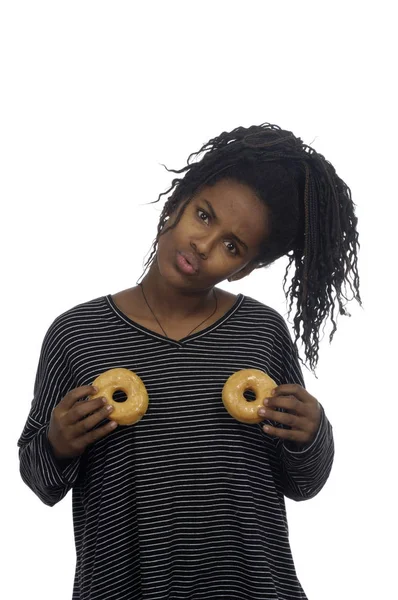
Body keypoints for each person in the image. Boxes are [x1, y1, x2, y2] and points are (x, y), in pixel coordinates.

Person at [18, 122, 362, 600]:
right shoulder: (77, 335)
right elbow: (39, 479)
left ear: (245, 268)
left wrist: (312, 435)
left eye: (231, 246)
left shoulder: (261, 333)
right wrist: (57, 442)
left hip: (252, 586)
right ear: (179, 202)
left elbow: (300, 484)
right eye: (204, 216)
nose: (204, 245)